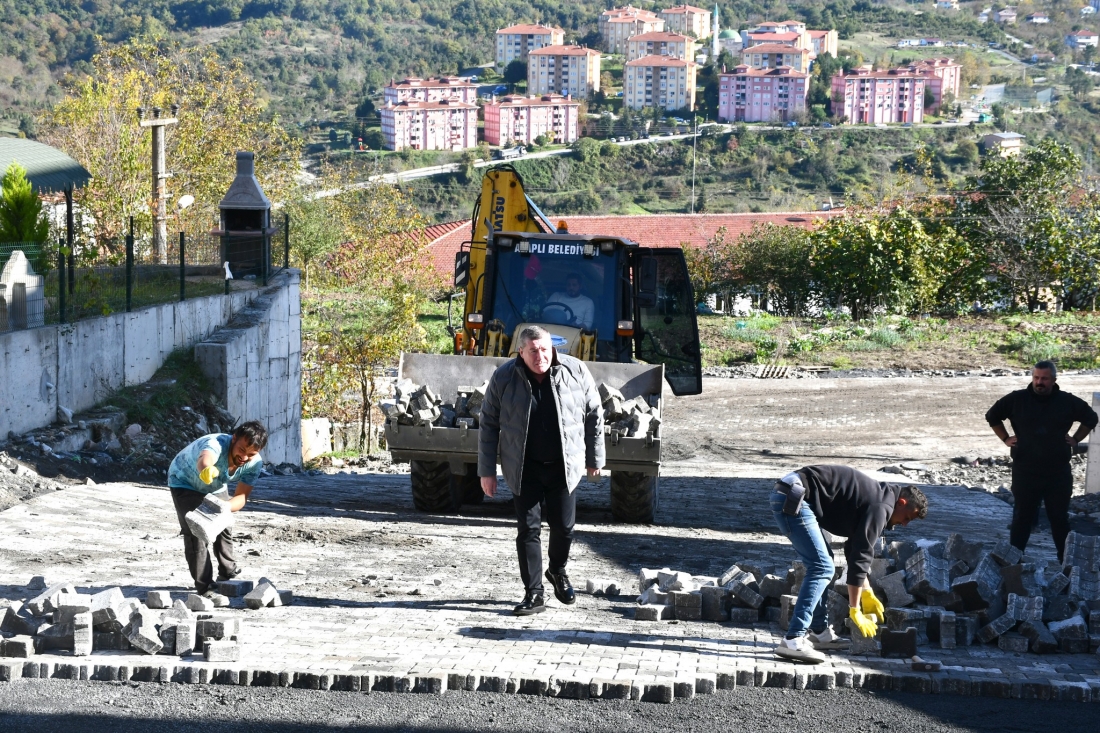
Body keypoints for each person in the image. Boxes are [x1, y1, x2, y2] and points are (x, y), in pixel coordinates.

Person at [478, 325, 604, 615]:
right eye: (533, 351)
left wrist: (594, 459)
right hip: (524, 467)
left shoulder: (575, 371)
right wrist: (486, 471)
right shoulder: (504, 377)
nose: (540, 356)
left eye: (545, 349)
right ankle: (534, 593)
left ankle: (557, 571)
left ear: (553, 348)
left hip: (563, 466)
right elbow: (488, 424)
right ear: (520, 352)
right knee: (528, 531)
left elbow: (595, 414)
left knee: (565, 528)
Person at [771, 465, 928, 664]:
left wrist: (867, 590)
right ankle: (793, 640)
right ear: (902, 503)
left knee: (824, 563)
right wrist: (855, 609)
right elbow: (861, 554)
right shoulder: (882, 507)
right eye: (907, 517)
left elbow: (854, 549)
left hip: (792, 492)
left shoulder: (881, 499)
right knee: (822, 567)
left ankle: (819, 633)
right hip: (794, 496)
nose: (904, 524)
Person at [985, 361, 1097, 563]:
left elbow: (1091, 418)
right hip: (1025, 471)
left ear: (1054, 380)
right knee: (1021, 519)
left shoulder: (1067, 401)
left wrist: (1076, 440)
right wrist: (1005, 439)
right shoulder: (1017, 400)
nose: (1040, 382)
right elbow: (992, 417)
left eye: (1044, 378)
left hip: (1058, 473)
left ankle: (1066, 565)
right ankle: (1013, 564)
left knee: (1059, 520)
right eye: (1036, 378)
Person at [167, 421, 268, 595]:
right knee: (195, 530)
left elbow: (241, 497)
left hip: (215, 485)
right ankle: (206, 587)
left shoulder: (254, 463)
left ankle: (227, 571)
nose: (244, 457)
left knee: (224, 523)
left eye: (250, 454)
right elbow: (205, 459)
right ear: (234, 438)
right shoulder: (216, 444)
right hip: (184, 481)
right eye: (242, 450)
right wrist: (206, 469)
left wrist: (225, 506)